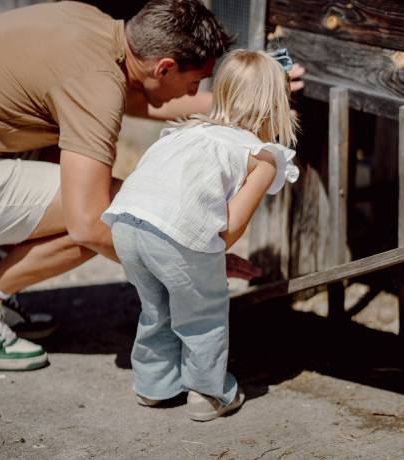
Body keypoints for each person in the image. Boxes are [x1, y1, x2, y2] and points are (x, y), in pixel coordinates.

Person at [0, 0, 305, 371]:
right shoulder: (96, 85)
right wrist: (189, 262)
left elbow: (141, 98)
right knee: (114, 212)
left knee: (83, 189)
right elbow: (87, 224)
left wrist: (252, 99)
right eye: (193, 84)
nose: (191, 93)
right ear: (165, 67)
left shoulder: (93, 27)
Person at [101, 48, 299, 421]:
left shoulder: (186, 130)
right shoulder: (261, 156)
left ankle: (154, 386)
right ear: (277, 104)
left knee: (156, 308)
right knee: (203, 314)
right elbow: (229, 228)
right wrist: (207, 261)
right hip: (175, 234)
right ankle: (209, 393)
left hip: (127, 222)